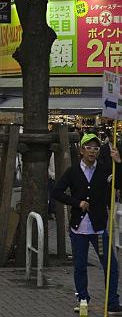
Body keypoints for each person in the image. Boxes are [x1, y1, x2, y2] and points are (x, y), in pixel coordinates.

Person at [53, 131, 122, 315]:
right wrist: (77, 202)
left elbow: (118, 183)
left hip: (98, 228)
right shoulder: (73, 171)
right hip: (79, 228)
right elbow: (57, 192)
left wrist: (119, 163)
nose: (92, 151)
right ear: (81, 150)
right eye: (88, 147)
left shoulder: (105, 168)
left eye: (96, 148)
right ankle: (82, 298)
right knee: (80, 265)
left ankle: (113, 302)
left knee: (110, 266)